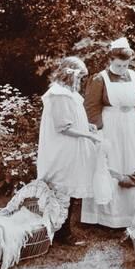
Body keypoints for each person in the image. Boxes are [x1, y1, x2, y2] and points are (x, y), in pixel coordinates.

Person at [81, 37, 135, 228]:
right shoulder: (100, 79)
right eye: (119, 65)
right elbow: (91, 108)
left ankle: (134, 214)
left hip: (133, 125)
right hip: (109, 126)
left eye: (125, 65)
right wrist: (97, 134)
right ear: (111, 60)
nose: (122, 68)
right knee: (111, 164)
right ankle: (107, 217)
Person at [36, 56, 101, 244]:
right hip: (62, 147)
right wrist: (88, 136)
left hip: (71, 146)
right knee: (62, 187)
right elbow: (62, 127)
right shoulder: (58, 94)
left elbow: (72, 118)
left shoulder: (68, 94)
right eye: (79, 77)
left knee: (70, 186)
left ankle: (62, 230)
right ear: (69, 75)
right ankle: (60, 232)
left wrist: (87, 126)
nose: (80, 81)